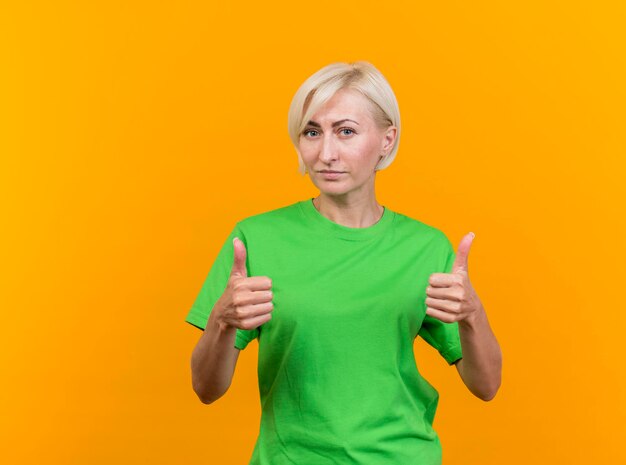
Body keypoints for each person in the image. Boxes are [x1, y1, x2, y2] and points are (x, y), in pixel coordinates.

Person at [185, 61, 502, 465]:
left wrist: (472, 315)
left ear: (387, 140)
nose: (326, 153)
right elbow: (205, 388)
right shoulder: (255, 239)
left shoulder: (425, 247)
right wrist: (222, 320)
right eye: (312, 132)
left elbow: (486, 384)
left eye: (346, 131)